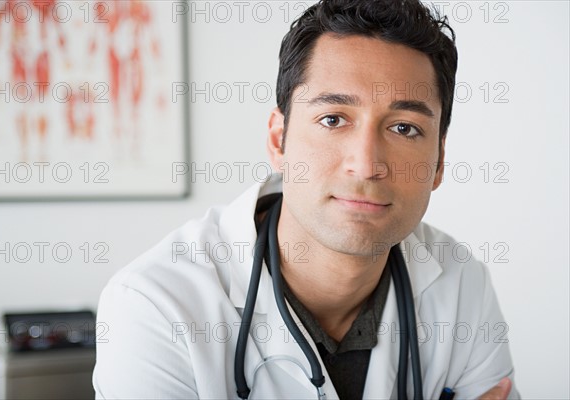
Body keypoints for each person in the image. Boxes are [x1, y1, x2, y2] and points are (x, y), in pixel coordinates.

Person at [93, 0, 519, 398]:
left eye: (404, 128)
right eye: (333, 119)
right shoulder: (154, 305)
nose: (366, 164)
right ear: (279, 140)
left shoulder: (462, 282)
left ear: (440, 162)